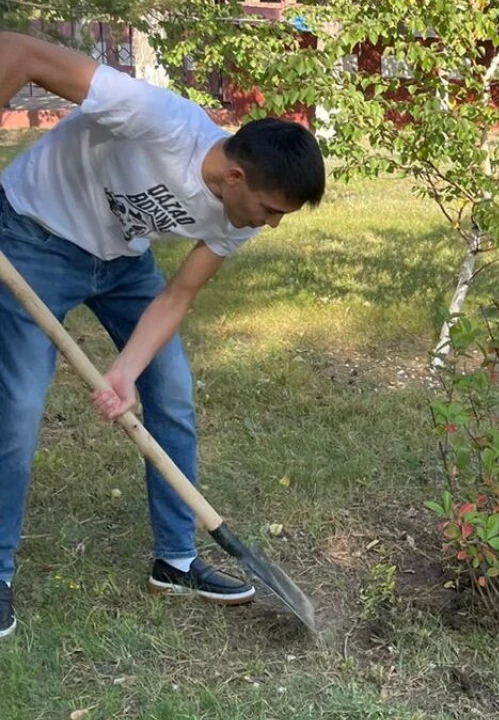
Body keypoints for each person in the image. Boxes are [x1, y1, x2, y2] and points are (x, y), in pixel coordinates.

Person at [0, 32, 326, 639]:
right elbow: (19, 52)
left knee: (170, 392)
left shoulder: (242, 215)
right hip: (33, 234)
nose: (272, 224)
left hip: (121, 260)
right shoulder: (155, 118)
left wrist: (124, 370)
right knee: (16, 407)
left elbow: (177, 295)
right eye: (271, 209)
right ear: (233, 175)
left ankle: (176, 560)